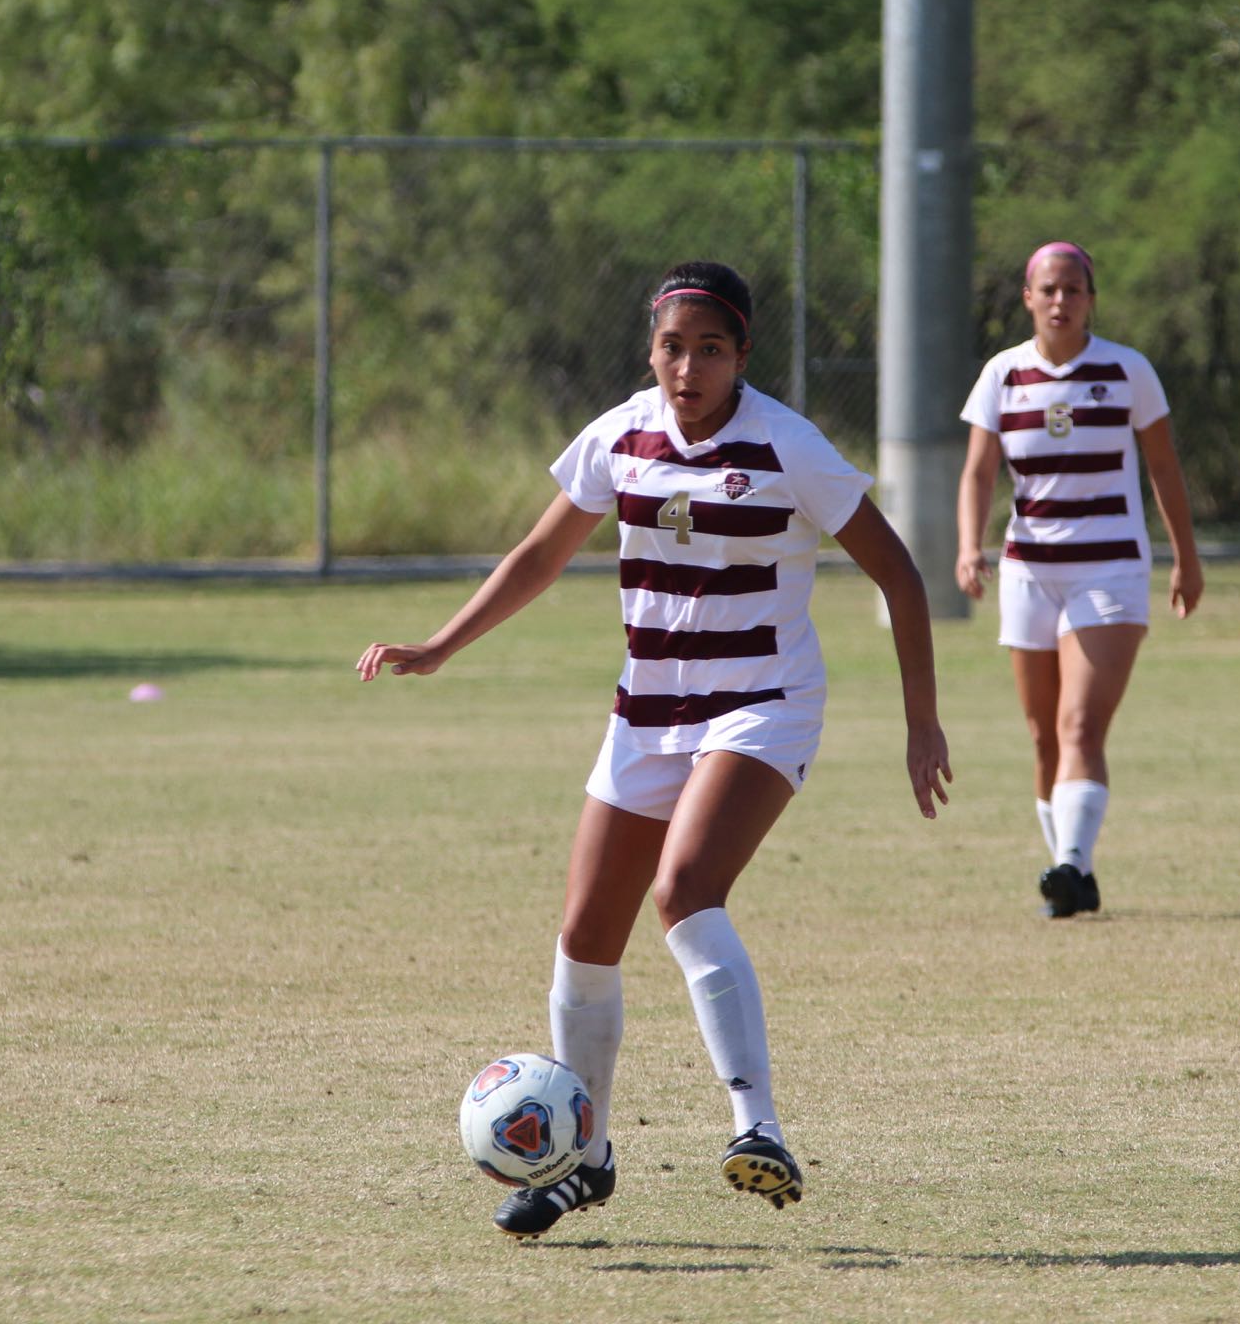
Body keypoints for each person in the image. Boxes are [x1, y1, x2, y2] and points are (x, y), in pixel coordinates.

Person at [358, 260, 952, 1239]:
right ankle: (580, 1161)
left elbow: (899, 576)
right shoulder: (622, 434)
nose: (688, 368)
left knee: (684, 892)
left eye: (710, 349)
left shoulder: (788, 446)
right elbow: (540, 555)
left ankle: (756, 1126)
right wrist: (438, 643)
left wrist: (919, 719)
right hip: (648, 713)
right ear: (651, 350)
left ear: (742, 355)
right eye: (673, 347)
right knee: (587, 935)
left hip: (761, 706)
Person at [953, 240, 1202, 920]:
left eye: (1074, 290)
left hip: (1110, 567)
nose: (1061, 301)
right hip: (1029, 572)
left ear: (1091, 299)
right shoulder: (1003, 375)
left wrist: (1186, 555)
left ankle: (1066, 864)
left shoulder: (1127, 371)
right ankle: (1076, 876)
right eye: (1049, 289)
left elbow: (1163, 468)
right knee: (1041, 735)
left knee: (1079, 724)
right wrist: (968, 547)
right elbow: (978, 470)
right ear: (1028, 299)